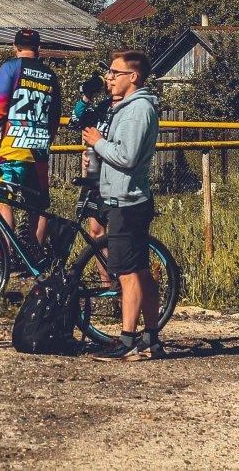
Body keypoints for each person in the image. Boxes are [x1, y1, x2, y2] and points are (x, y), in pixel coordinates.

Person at [82, 50, 165, 360]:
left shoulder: (137, 111)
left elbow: (126, 157)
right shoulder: (128, 108)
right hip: (127, 198)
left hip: (126, 201)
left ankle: (127, 341)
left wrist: (98, 143)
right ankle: (151, 339)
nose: (109, 77)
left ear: (133, 77)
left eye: (115, 73)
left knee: (128, 274)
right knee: (141, 272)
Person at [0, 28, 62, 252]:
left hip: (13, 148)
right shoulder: (50, 75)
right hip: (39, 150)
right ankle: (34, 258)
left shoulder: (10, 68)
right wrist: (44, 140)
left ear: (14, 47)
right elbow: (55, 116)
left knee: (1, 199)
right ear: (39, 49)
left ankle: (6, 256)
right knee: (39, 206)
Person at [71, 72, 112, 243]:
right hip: (95, 172)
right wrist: (87, 96)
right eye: (107, 76)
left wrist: (102, 146)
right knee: (95, 232)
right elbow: (76, 119)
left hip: (114, 174)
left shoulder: (128, 109)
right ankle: (104, 263)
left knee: (116, 233)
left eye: (112, 74)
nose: (108, 79)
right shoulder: (103, 106)